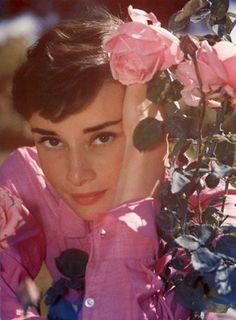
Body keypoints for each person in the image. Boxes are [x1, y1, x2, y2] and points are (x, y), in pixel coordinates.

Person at [0, 5, 235, 320]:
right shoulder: (28, 181)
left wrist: (135, 193)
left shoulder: (215, 220)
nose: (76, 174)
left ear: (155, 124)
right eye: (52, 141)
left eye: (102, 137)